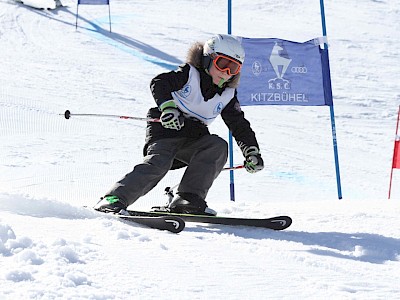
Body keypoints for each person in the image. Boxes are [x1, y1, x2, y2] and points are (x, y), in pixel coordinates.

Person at [94, 34, 264, 216]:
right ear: (208, 58)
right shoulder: (189, 75)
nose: (226, 72)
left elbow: (239, 125)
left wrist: (252, 151)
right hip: (166, 129)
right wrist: (168, 107)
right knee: (159, 164)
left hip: (194, 138)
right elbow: (159, 83)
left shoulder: (228, 95)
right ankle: (113, 199)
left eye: (234, 68)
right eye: (223, 64)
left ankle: (188, 199)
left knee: (217, 146)